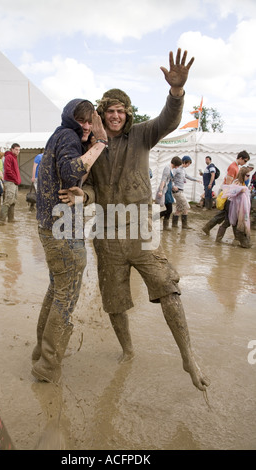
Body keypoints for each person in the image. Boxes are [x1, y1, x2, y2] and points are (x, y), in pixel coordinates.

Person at [60, 49, 210, 392]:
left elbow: (168, 121)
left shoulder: (142, 134)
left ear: (128, 114)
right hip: (106, 235)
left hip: (141, 232)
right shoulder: (93, 145)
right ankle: (127, 351)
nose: (115, 116)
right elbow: (94, 188)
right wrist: (85, 196)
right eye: (109, 111)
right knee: (114, 302)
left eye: (121, 111)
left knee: (168, 288)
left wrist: (176, 93)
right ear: (101, 113)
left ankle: (188, 356)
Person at [31, 99, 107, 383]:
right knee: (65, 296)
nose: (86, 126)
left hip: (51, 228)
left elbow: (74, 176)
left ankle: (41, 351)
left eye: (90, 121)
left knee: (56, 291)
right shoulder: (68, 136)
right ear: (71, 119)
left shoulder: (59, 135)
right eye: (82, 120)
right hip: (63, 232)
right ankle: (48, 365)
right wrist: (100, 143)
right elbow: (71, 172)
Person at [202, 150, 250, 238]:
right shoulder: (233, 167)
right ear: (240, 158)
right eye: (245, 161)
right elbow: (228, 183)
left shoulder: (235, 166)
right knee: (227, 217)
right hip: (227, 194)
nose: (245, 163)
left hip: (228, 194)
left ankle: (207, 227)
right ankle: (209, 229)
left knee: (224, 215)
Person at [221, 166, 252, 248]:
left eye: (249, 176)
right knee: (228, 222)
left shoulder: (243, 183)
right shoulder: (237, 182)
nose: (248, 177)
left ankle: (238, 241)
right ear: (243, 175)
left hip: (239, 207)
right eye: (247, 176)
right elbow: (230, 191)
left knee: (237, 223)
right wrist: (240, 190)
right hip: (231, 205)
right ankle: (218, 239)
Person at [171, 155, 202, 229]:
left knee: (179, 208)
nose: (188, 165)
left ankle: (174, 224)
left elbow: (187, 176)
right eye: (188, 163)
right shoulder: (177, 169)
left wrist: (196, 180)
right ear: (185, 162)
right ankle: (184, 225)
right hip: (177, 191)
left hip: (181, 190)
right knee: (186, 207)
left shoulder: (183, 170)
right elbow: (170, 177)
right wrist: (173, 186)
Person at [157, 156, 182, 230]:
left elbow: (169, 180)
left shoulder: (171, 169)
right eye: (178, 166)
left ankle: (165, 226)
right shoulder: (167, 168)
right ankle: (154, 218)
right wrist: (161, 191)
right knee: (169, 209)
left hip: (169, 190)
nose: (177, 168)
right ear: (176, 164)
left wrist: (173, 186)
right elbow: (163, 180)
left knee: (169, 209)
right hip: (166, 191)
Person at [0, 143, 21, 224]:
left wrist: (18, 180)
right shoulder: (9, 157)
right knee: (8, 200)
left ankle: (11, 219)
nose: (18, 151)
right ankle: (1, 221)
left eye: (19, 150)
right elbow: (8, 170)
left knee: (13, 201)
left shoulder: (14, 158)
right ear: (12, 149)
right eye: (16, 149)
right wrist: (15, 179)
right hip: (10, 182)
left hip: (14, 182)